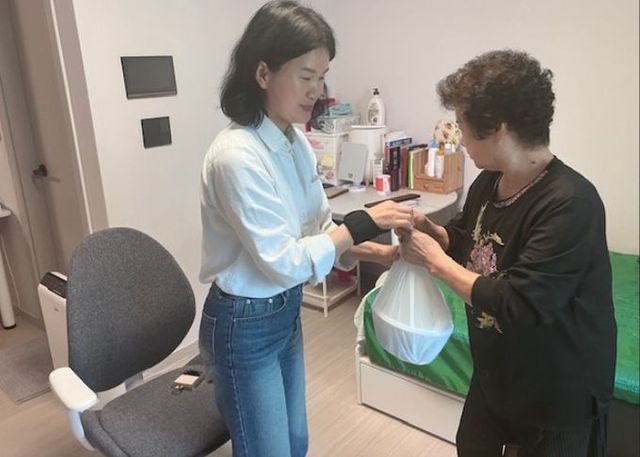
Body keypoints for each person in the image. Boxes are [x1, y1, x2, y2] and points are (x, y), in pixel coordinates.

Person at [197, 2, 413, 456]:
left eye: (322, 77)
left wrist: (382, 253)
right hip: (244, 321)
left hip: (282, 310)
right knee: (268, 450)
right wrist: (363, 224)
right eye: (306, 76)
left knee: (295, 441)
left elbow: (318, 230)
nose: (316, 90)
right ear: (263, 73)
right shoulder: (237, 156)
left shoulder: (294, 141)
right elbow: (284, 261)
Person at [398, 50, 616, 456]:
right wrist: (437, 235)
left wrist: (435, 261)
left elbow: (520, 300)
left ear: (498, 129)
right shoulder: (489, 182)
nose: (461, 140)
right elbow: (468, 238)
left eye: (463, 128)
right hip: (496, 374)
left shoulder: (571, 203)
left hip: (556, 393)